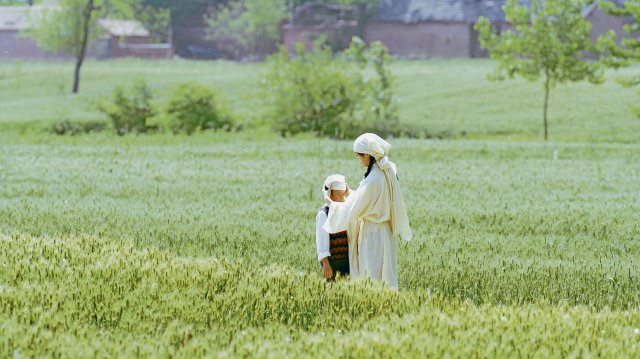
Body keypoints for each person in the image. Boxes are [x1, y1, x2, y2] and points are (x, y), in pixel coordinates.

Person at [323, 133, 411, 289]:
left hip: (373, 233)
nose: (358, 159)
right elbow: (369, 201)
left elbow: (353, 210)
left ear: (367, 156)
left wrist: (331, 203)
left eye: (358, 155)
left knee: (372, 274)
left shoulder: (372, 180)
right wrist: (350, 194)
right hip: (385, 231)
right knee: (385, 275)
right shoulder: (385, 172)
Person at [315, 174, 350, 281]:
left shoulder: (345, 210)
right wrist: (325, 263)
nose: (341, 197)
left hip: (346, 261)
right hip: (332, 261)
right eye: (338, 194)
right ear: (330, 194)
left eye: (343, 194)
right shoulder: (323, 213)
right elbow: (322, 240)